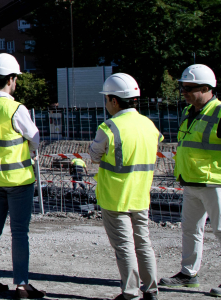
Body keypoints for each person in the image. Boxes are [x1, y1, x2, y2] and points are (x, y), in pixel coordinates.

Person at [159, 64, 221, 298]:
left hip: (215, 182)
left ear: (206, 88)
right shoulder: (191, 112)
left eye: (189, 88)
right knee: (190, 229)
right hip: (192, 181)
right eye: (183, 88)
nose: (184, 92)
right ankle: (188, 274)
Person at [0, 53, 45, 299]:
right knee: (19, 232)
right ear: (11, 79)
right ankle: (22, 285)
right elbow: (34, 140)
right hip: (18, 181)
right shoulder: (15, 108)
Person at [89, 74, 163, 300]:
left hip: (116, 197)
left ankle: (130, 293)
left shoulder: (110, 127)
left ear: (114, 100)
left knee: (124, 246)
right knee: (143, 243)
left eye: (107, 99)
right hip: (140, 195)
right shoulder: (149, 125)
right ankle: (151, 290)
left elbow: (94, 155)